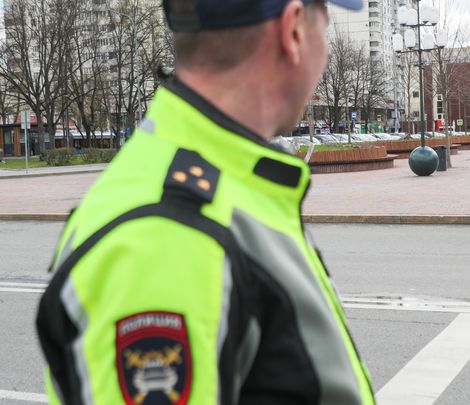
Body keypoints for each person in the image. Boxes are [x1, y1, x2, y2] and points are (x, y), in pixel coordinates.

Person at [35, 0, 376, 404]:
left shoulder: (219, 183)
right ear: (294, 29)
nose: (329, 48)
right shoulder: (169, 237)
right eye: (327, 24)